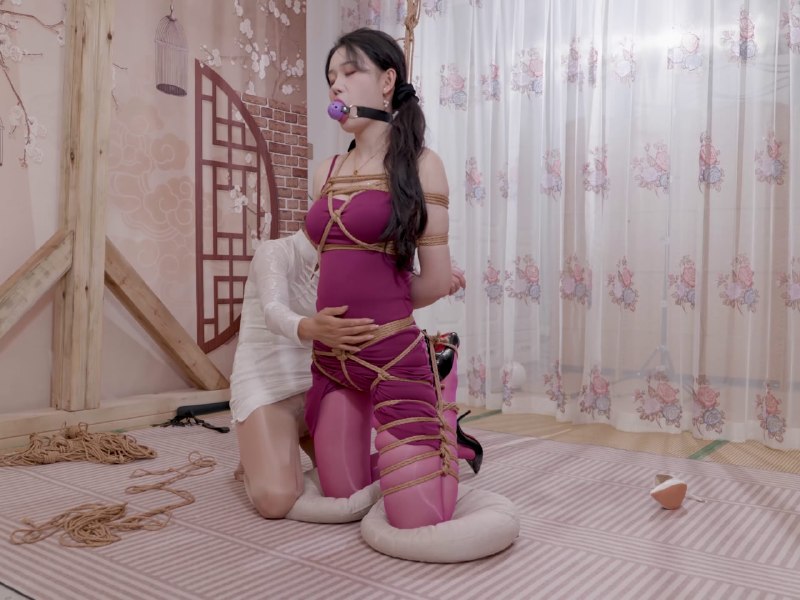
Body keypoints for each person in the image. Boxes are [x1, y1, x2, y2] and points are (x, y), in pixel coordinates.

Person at [305, 28, 461, 529]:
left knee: (415, 519)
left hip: (391, 356)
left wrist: (381, 313)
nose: (336, 85)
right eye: (331, 77)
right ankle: (400, 457)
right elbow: (326, 267)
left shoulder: (422, 165)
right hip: (331, 361)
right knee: (342, 497)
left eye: (350, 72)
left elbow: (433, 282)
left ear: (388, 81)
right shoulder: (325, 171)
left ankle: (442, 403)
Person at [230, 229, 471, 519]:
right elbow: (273, 310)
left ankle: (441, 442)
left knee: (350, 484)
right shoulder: (275, 251)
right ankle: (255, 457)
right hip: (268, 385)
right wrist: (311, 327)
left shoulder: (356, 262)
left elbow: (393, 300)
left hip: (322, 382)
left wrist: (437, 281)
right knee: (276, 501)